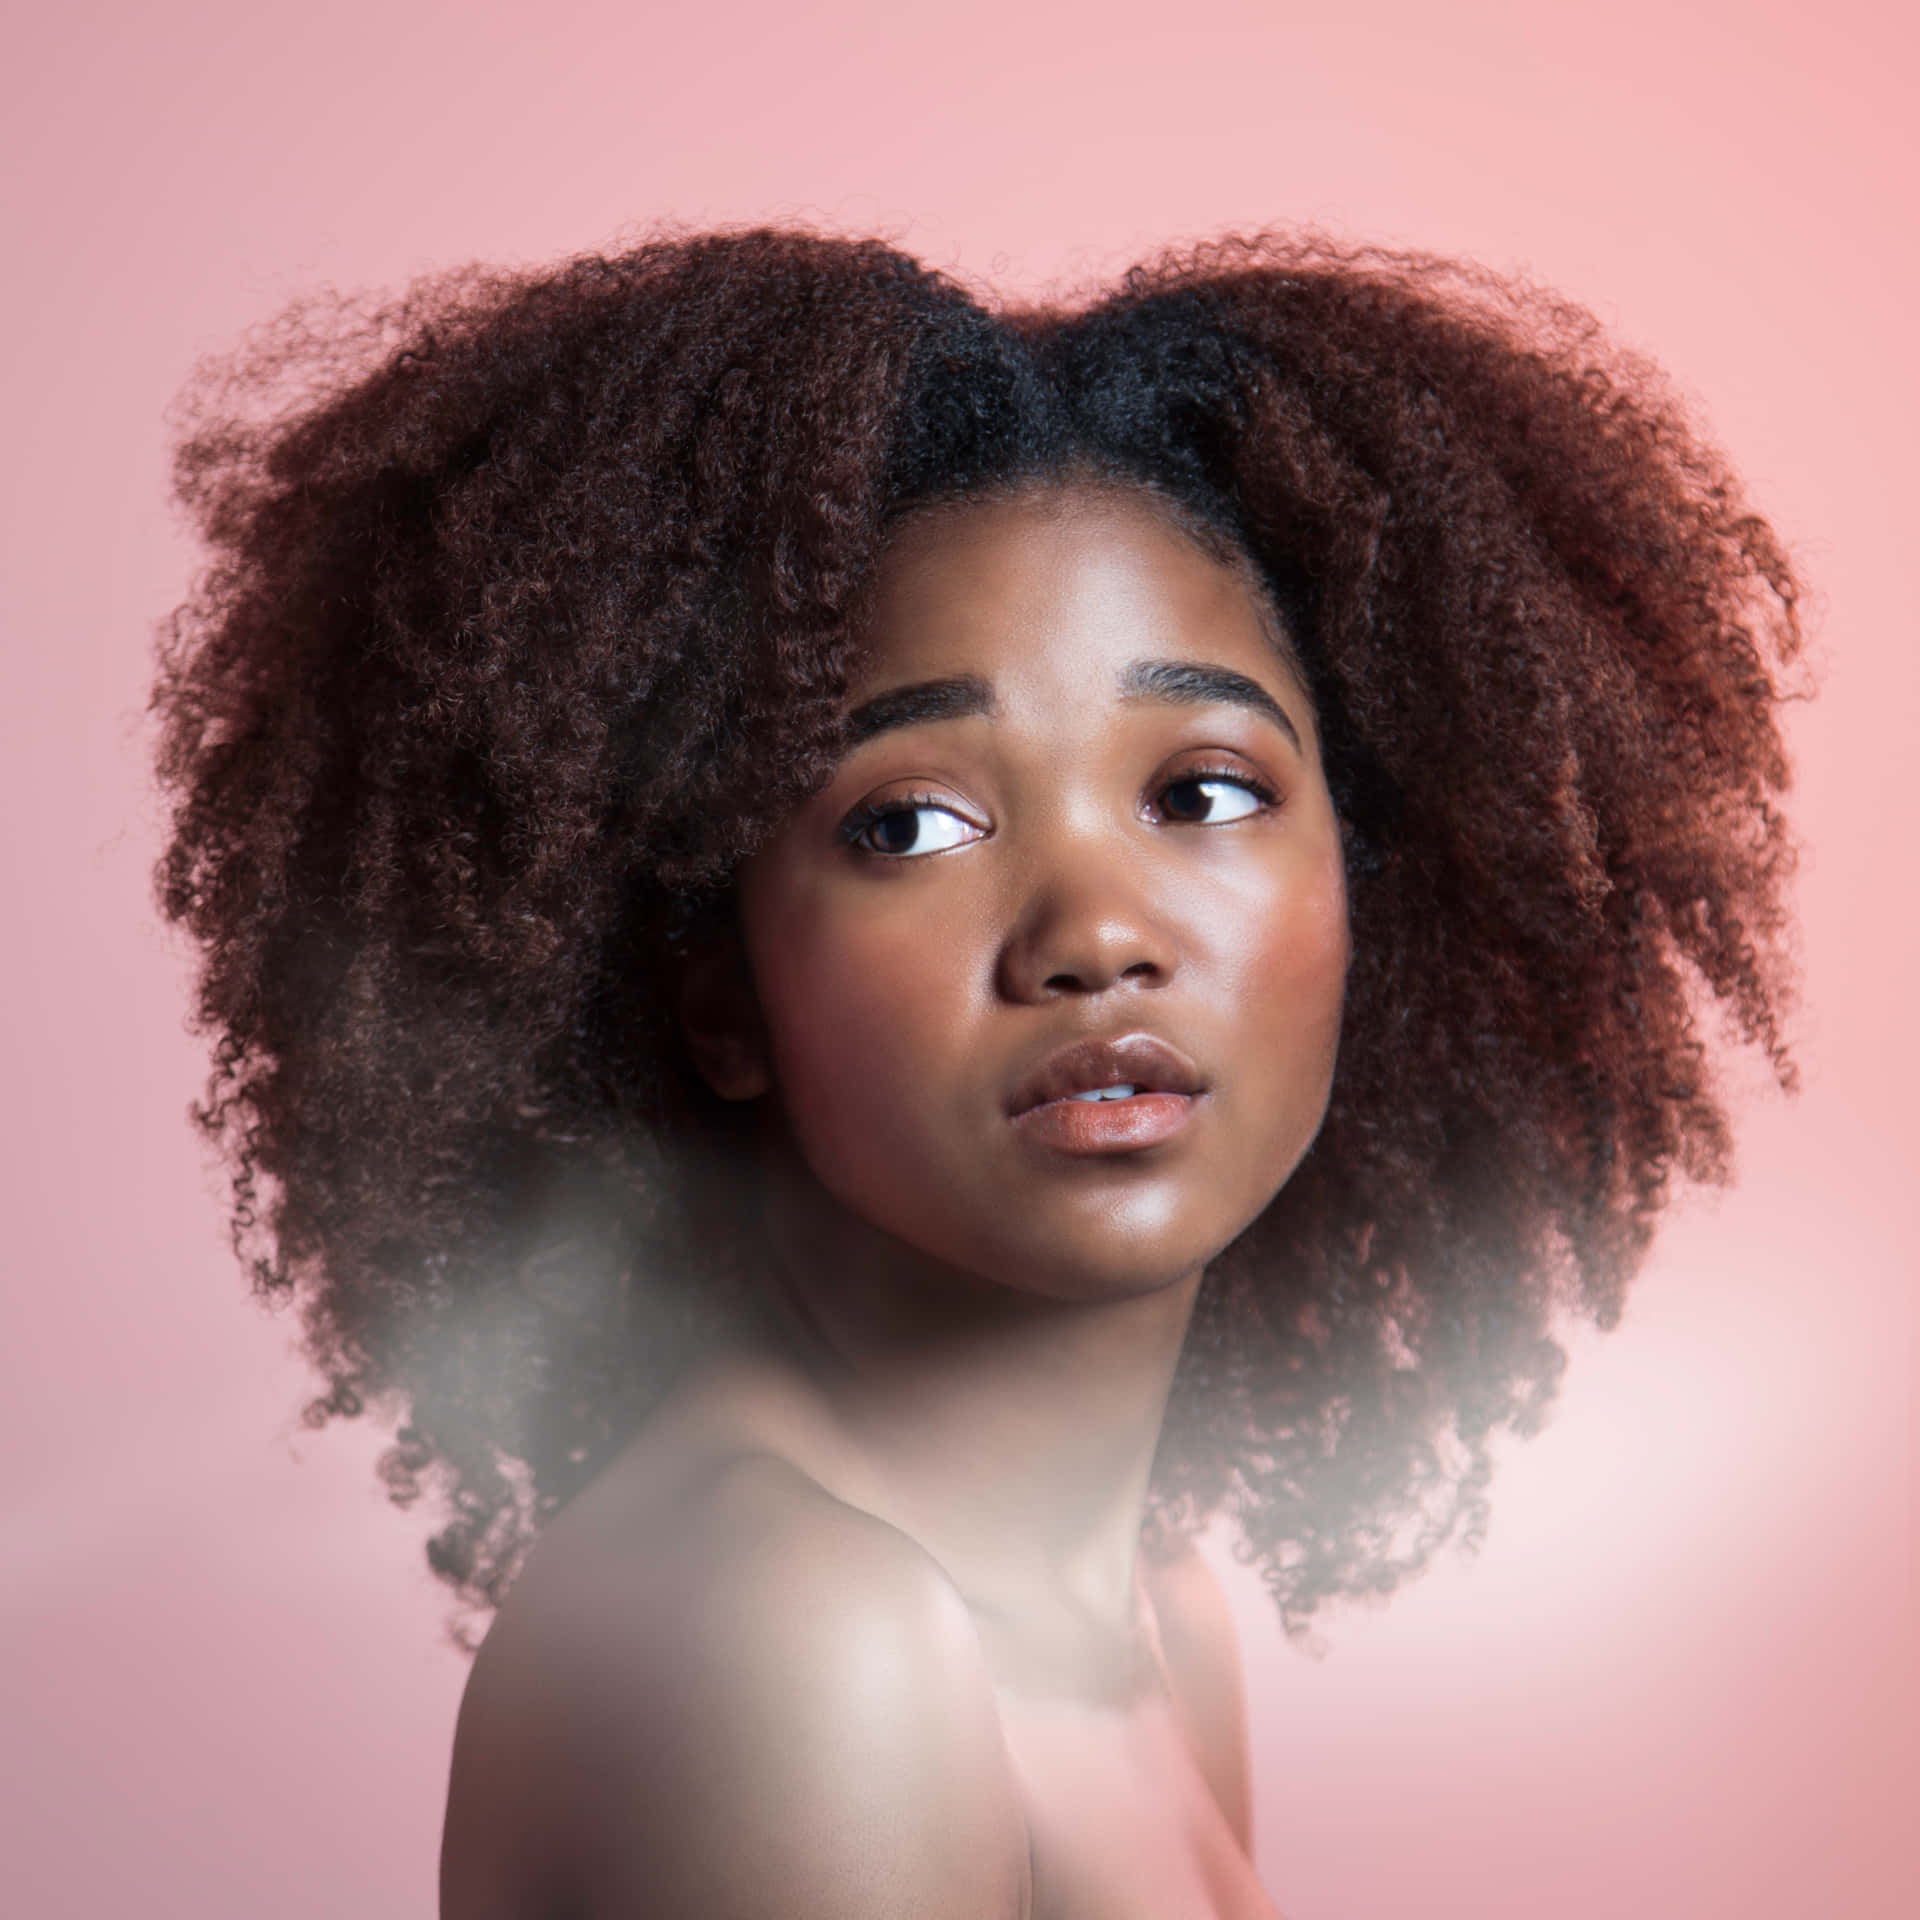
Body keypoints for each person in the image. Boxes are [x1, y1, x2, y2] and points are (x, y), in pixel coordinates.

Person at [152, 228, 1800, 1918]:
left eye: (1206, 793)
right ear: (717, 991)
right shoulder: (799, 1639)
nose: (1095, 931)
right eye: (912, 822)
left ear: (1370, 888)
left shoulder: (1150, 1605)